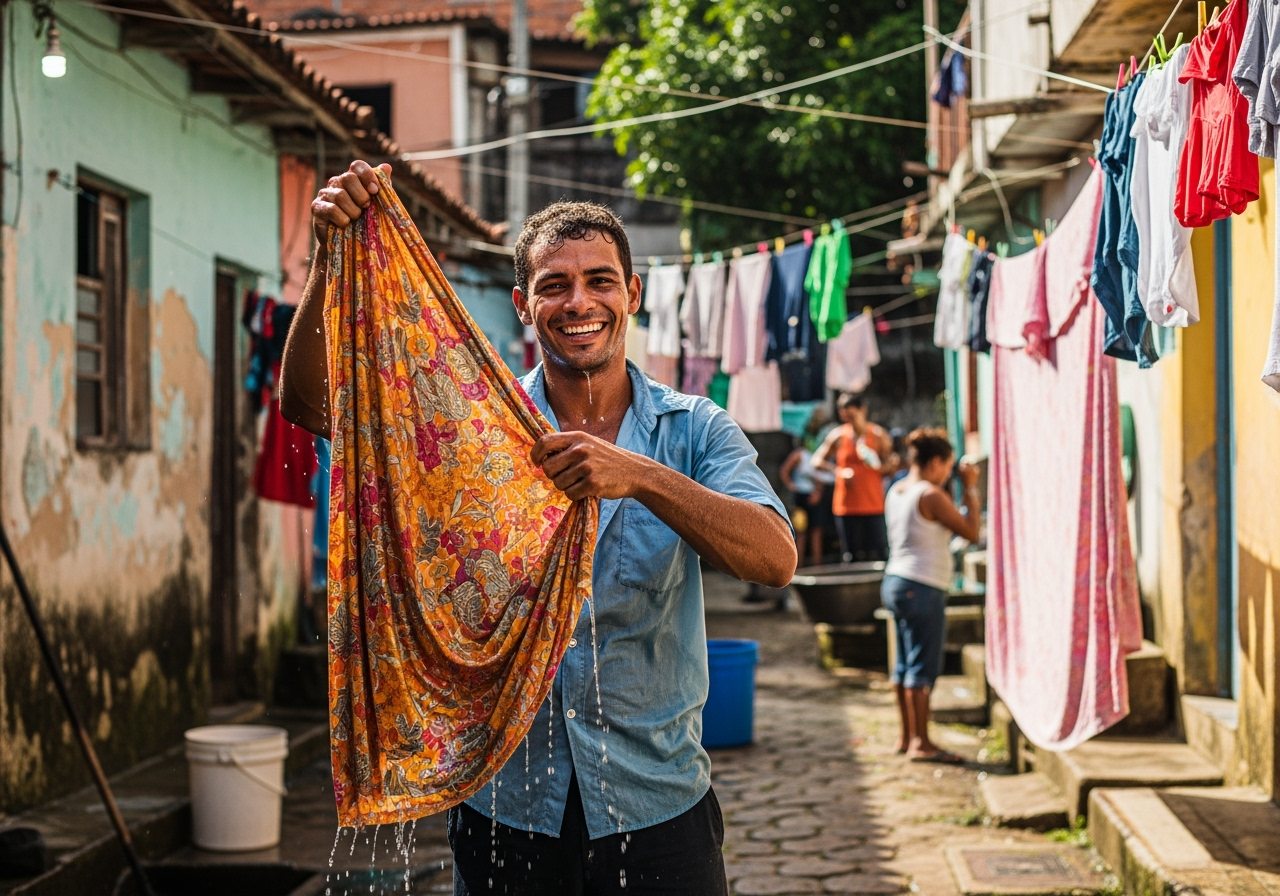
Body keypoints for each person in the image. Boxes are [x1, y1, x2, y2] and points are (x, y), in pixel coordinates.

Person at [279, 161, 797, 895]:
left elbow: (774, 559)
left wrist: (641, 477)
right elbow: (311, 405)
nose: (578, 302)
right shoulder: (474, 430)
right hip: (507, 812)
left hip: (660, 809)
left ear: (632, 295)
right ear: (524, 305)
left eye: (599, 281)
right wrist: (330, 257)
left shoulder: (695, 430)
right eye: (554, 286)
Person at [881, 428, 980, 763]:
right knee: (922, 668)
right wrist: (970, 487)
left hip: (896, 581)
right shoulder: (931, 495)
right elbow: (971, 531)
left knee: (903, 664)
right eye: (948, 467)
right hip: (922, 585)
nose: (948, 474)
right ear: (935, 462)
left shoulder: (897, 489)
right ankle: (921, 742)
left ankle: (906, 736)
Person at [812, 393, 893, 562]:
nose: (849, 420)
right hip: (846, 505)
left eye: (852, 415)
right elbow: (816, 460)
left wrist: (879, 466)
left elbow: (891, 465)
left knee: (879, 553)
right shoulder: (838, 435)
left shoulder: (878, 435)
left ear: (862, 410)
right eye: (845, 416)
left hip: (873, 504)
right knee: (851, 555)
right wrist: (839, 471)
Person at [779, 408, 834, 568]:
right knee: (800, 531)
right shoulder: (799, 455)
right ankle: (798, 566)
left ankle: (817, 565)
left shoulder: (818, 455)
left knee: (816, 531)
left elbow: (820, 477)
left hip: (814, 496)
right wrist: (792, 486)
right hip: (800, 497)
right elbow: (784, 471)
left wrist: (818, 493)